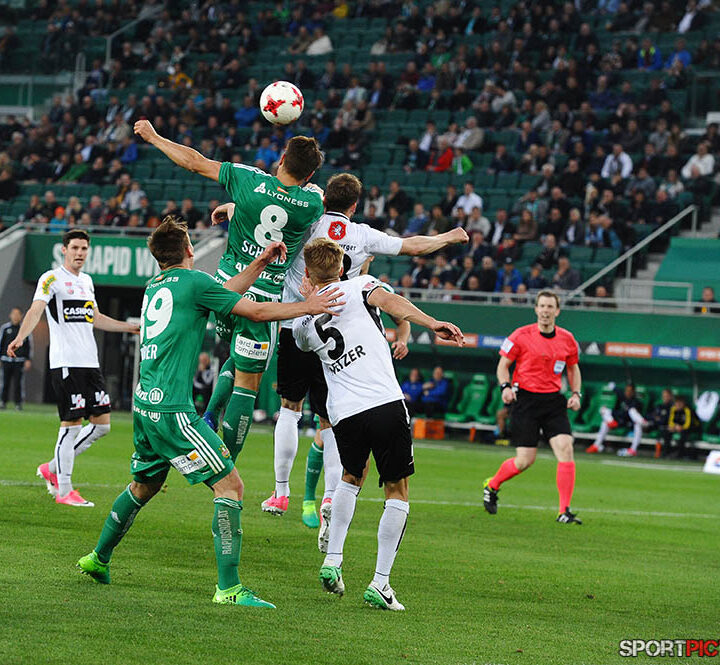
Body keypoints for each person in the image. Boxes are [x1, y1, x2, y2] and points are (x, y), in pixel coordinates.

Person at [75, 217, 341, 608]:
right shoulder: (193, 282)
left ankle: (97, 559)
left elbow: (221, 293)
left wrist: (259, 264)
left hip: (144, 404)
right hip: (172, 409)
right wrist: (309, 305)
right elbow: (253, 312)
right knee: (231, 486)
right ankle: (229, 588)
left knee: (144, 486)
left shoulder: (157, 287)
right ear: (188, 250)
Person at [216, 173, 468, 534]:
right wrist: (448, 236)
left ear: (324, 198)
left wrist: (230, 207)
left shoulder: (307, 221)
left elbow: (267, 217)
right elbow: (412, 246)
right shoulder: (362, 235)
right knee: (329, 422)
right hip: (343, 328)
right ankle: (332, 496)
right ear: (354, 205)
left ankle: (280, 491)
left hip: (297, 323)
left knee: (289, 407)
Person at [134, 119, 325, 465]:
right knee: (247, 384)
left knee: (233, 358)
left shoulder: (247, 179)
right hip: (263, 296)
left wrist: (154, 137)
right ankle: (226, 463)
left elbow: (194, 161)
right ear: (309, 175)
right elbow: (286, 209)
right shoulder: (312, 202)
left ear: (281, 158)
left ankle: (209, 415)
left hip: (224, 288)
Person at [294, 237, 465, 610]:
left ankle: (333, 560)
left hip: (343, 413)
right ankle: (381, 584)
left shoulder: (302, 324)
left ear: (307, 274)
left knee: (350, 478)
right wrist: (431, 322)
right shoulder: (358, 286)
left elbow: (306, 341)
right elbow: (391, 302)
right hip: (383, 402)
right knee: (397, 490)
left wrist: (308, 300)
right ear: (341, 268)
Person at [8, 229, 140, 507]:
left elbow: (94, 317)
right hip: (66, 362)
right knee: (71, 425)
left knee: (102, 425)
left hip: (90, 362)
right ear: (64, 250)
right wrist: (21, 336)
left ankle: (52, 467)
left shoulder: (87, 282)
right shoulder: (51, 278)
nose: (80, 253)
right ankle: (64, 490)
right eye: (75, 248)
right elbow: (35, 310)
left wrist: (130, 327)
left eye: (84, 248)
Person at [482, 291, 583, 523]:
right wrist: (505, 387)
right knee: (524, 460)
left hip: (553, 401)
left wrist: (576, 394)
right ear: (536, 309)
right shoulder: (520, 335)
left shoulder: (567, 339)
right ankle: (492, 484)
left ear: (557, 311)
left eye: (550, 306)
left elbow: (573, 368)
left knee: (566, 448)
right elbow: (503, 366)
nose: (546, 310)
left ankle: (563, 511)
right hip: (525, 401)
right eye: (542, 306)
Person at [585, 383, 646, 457]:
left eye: (630, 391)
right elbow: (617, 391)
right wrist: (612, 385)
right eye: (627, 390)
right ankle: (596, 445)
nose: (628, 392)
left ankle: (633, 449)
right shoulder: (623, 397)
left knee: (633, 413)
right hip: (619, 421)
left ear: (633, 392)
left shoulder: (637, 402)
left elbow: (632, 413)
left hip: (629, 423)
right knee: (603, 411)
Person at [0, 307, 32, 410]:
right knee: (4, 382)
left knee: (18, 383)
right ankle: (2, 402)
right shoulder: (5, 328)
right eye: (13, 314)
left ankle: (18, 403)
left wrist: (28, 359)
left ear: (21, 316)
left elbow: (29, 345)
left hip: (19, 361)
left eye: (17, 314)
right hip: (6, 360)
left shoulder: (24, 329)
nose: (15, 316)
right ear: (10, 315)